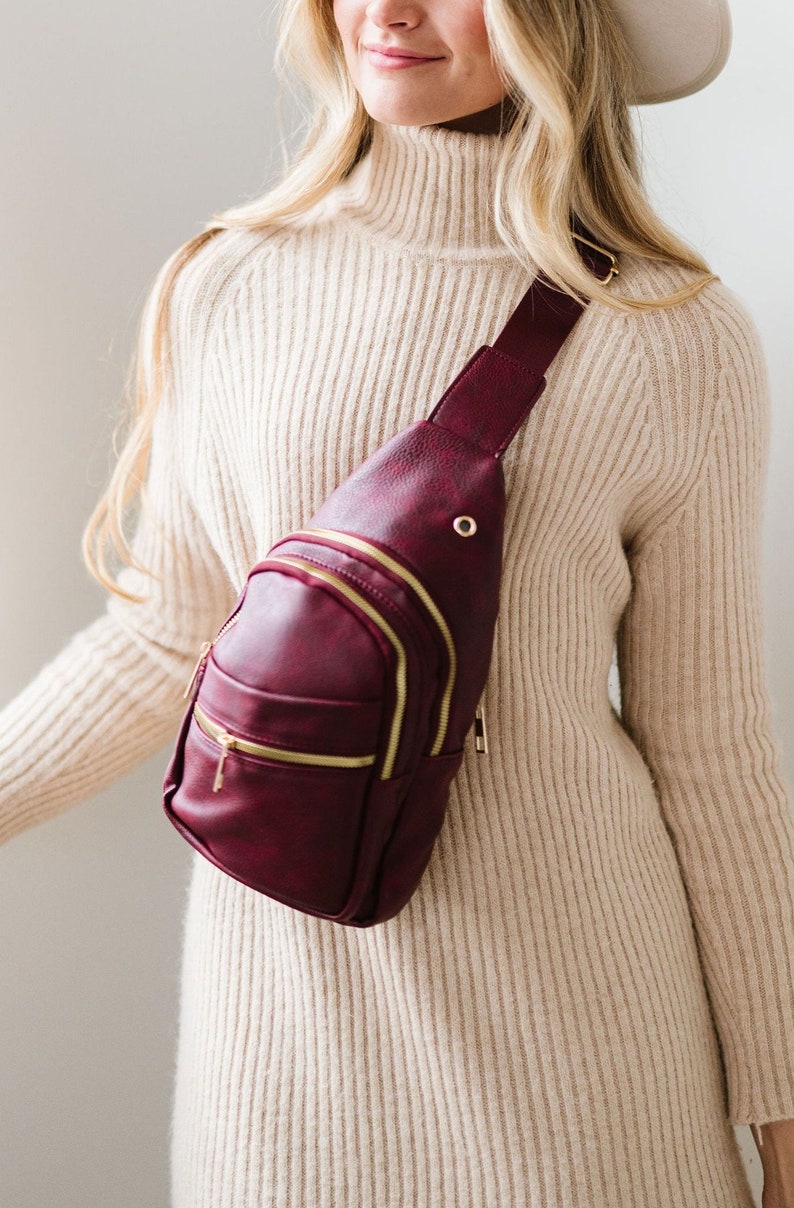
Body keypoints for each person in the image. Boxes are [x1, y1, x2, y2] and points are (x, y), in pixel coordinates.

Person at [1, 0, 793, 1203]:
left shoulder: (669, 336)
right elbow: (165, 637)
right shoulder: (232, 284)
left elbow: (713, 754)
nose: (393, 10)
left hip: (584, 1075)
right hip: (280, 1068)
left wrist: (780, 1108)